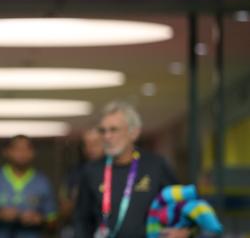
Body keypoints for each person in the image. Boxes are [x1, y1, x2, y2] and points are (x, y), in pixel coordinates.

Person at [73, 101, 190, 238]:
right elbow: (82, 219)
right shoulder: (92, 171)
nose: (107, 136)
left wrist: (184, 231)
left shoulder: (155, 165)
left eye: (114, 130)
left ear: (133, 133)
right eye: (103, 131)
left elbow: (183, 206)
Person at [0, 135, 58, 238]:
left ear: (33, 153)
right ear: (7, 152)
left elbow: (53, 224)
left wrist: (40, 220)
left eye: (26, 149)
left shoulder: (43, 182)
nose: (22, 153)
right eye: (17, 149)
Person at [58, 128, 104, 237]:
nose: (90, 148)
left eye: (95, 143)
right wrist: (79, 198)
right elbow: (63, 210)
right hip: (78, 230)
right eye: (86, 144)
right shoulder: (74, 173)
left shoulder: (116, 172)